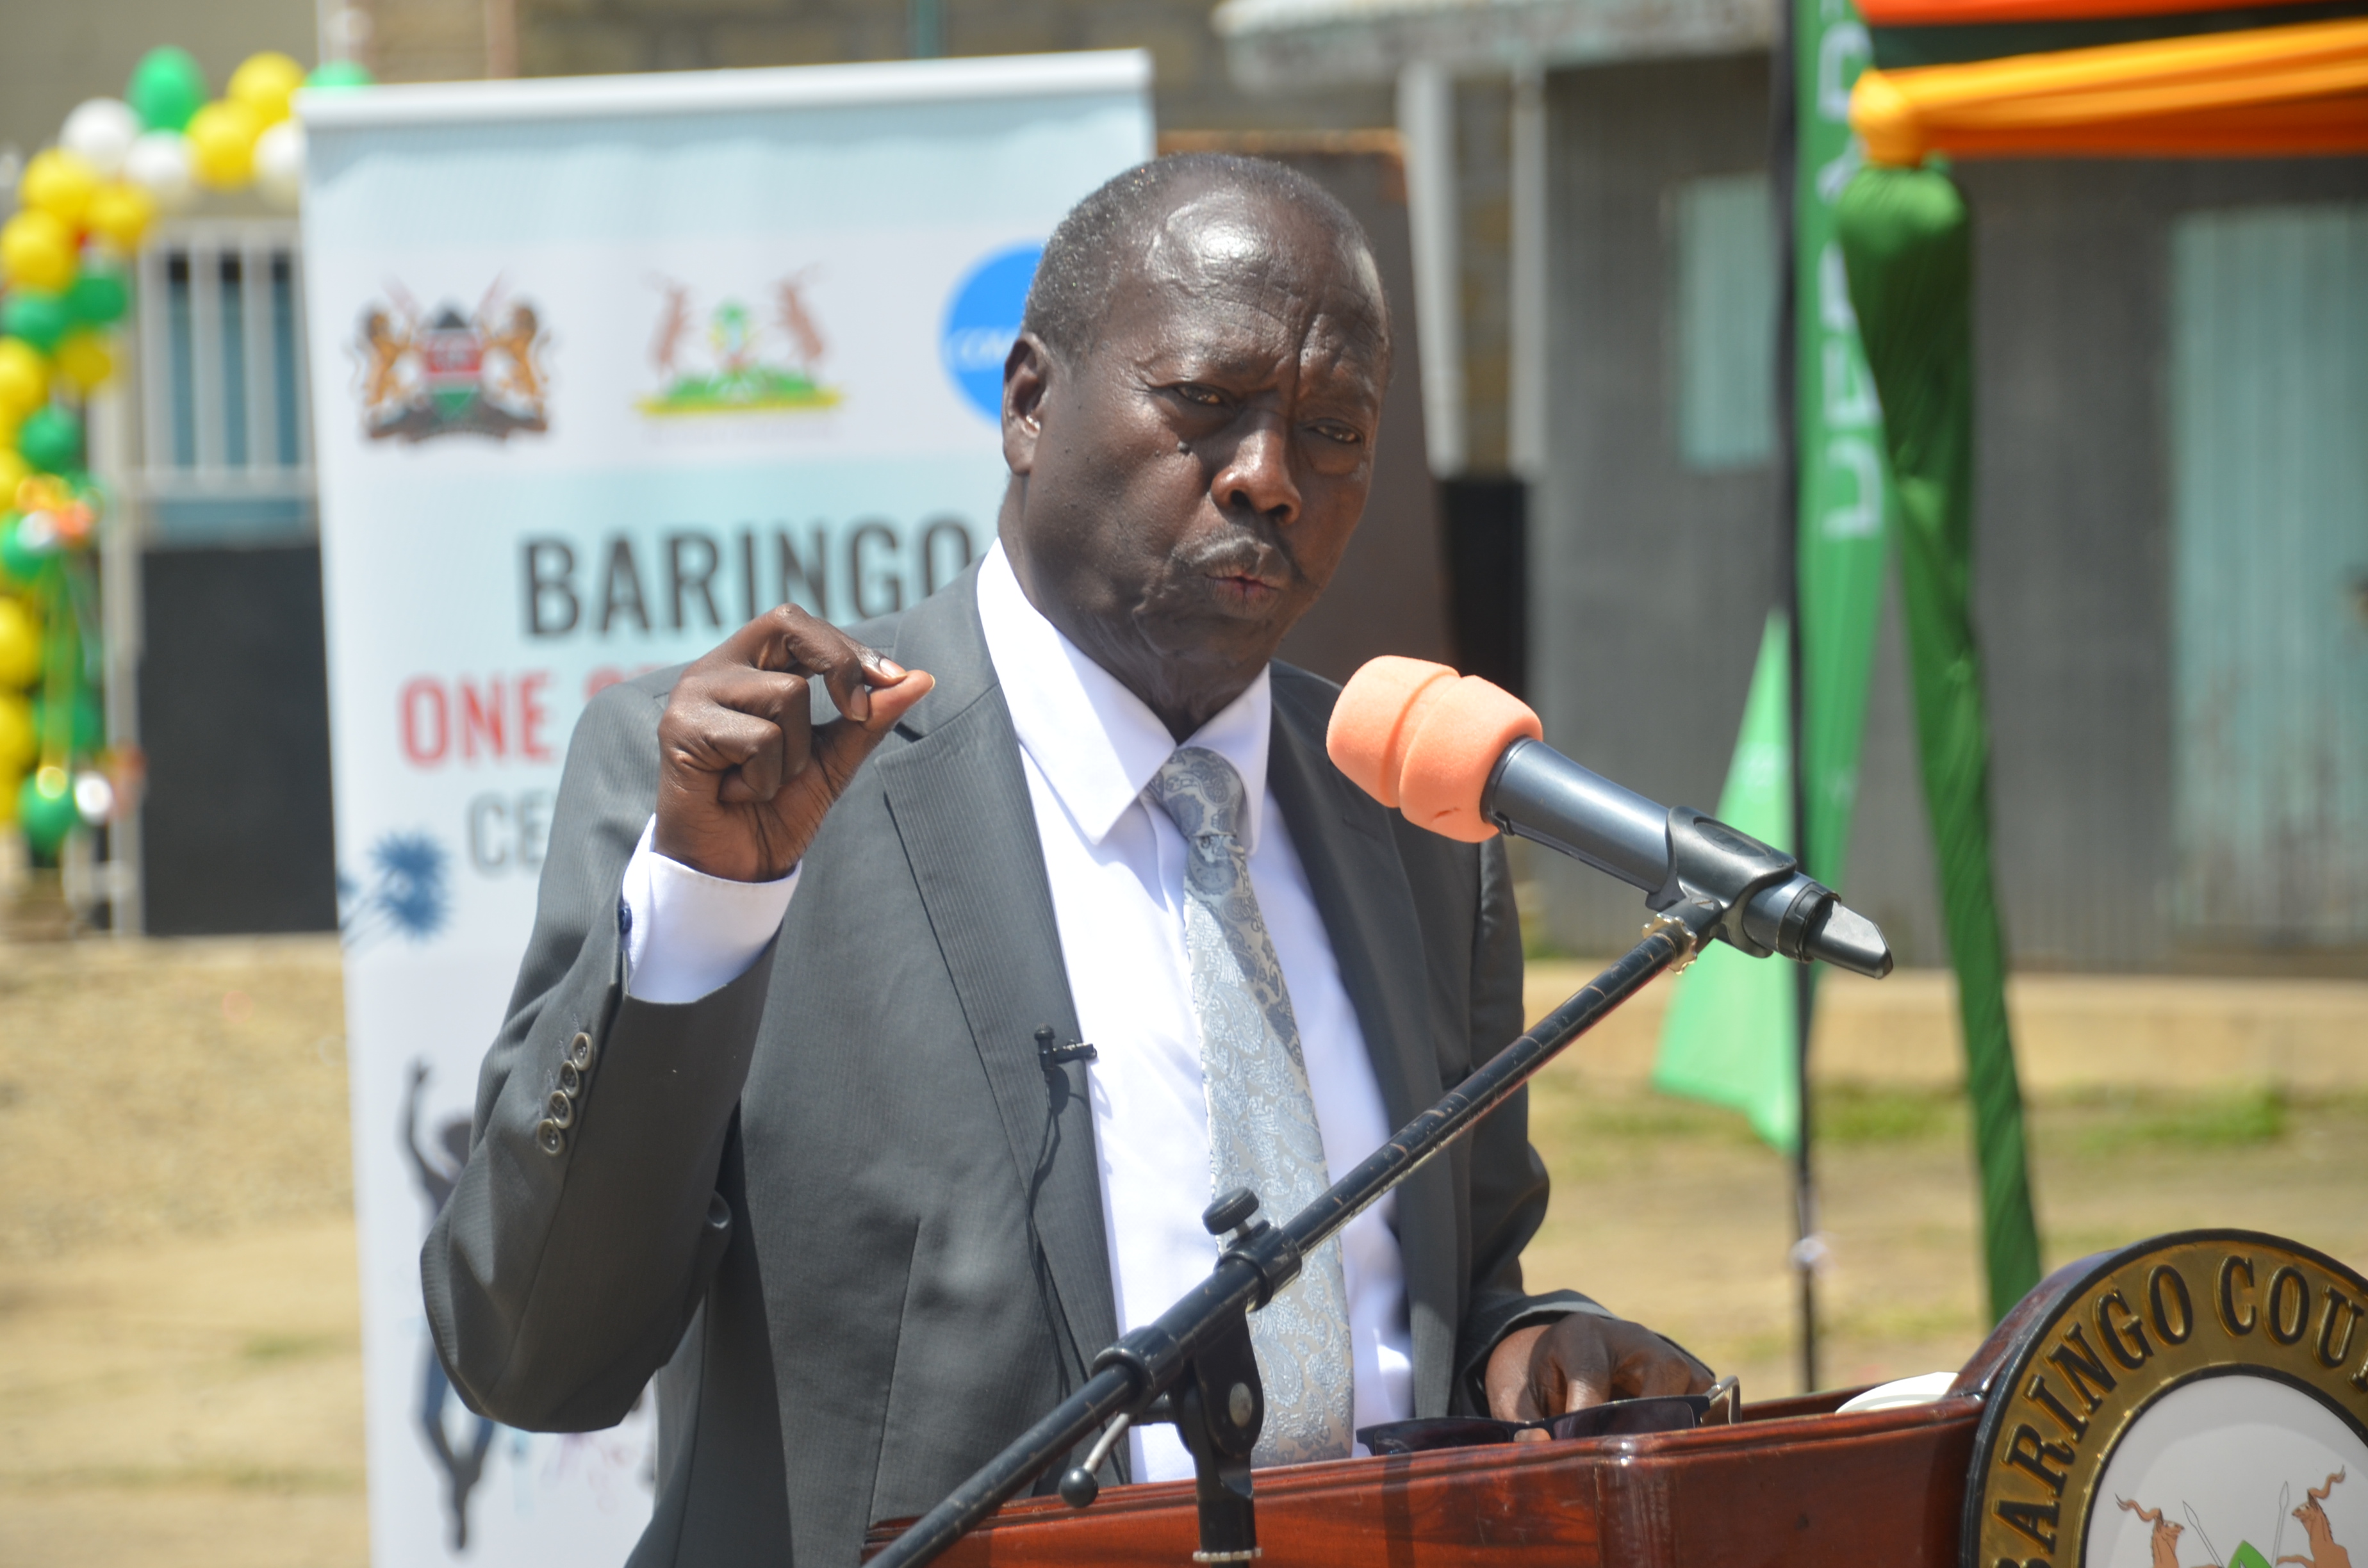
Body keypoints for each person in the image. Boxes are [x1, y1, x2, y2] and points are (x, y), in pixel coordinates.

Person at [424, 152, 1711, 1568]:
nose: (1270, 479)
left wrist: (1529, 1347)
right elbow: (534, 1360)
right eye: (1207, 406)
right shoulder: (757, 793)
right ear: (1029, 401)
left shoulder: (1407, 820)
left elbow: (1450, 1293)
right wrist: (701, 917)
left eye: (1334, 432)